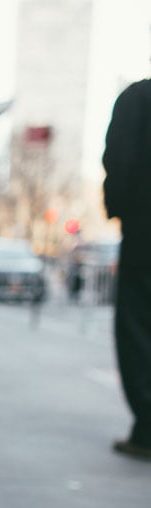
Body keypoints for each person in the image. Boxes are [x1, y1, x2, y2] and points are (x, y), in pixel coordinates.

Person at [102, 79, 151, 462]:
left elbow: (120, 159)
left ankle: (147, 429)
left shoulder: (140, 97)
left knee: (136, 326)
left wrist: (121, 208)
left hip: (144, 228)